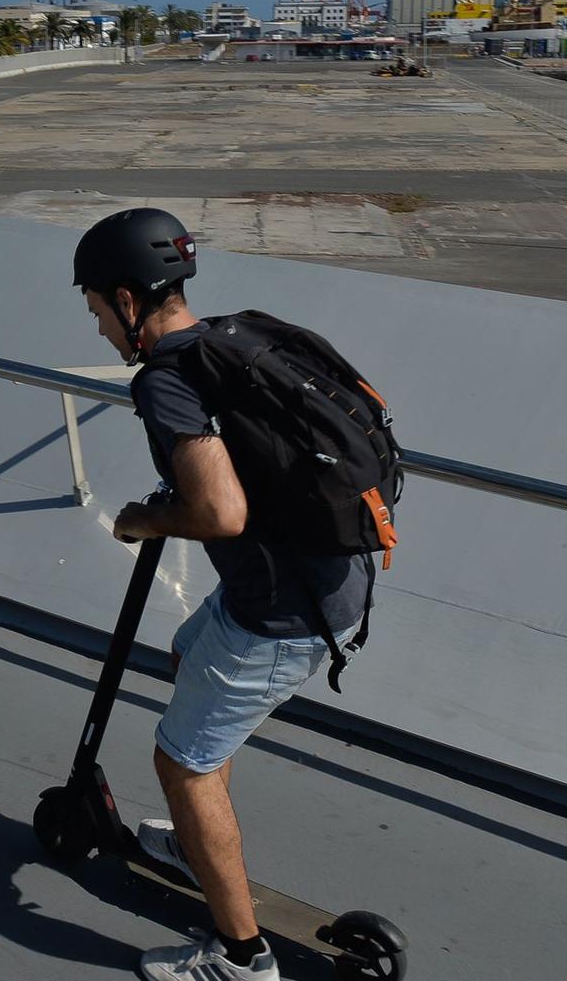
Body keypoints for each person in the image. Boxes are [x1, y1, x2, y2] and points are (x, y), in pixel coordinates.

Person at [73, 208, 374, 981]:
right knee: (185, 653)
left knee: (182, 763)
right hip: (328, 580)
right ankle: (191, 839)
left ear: (128, 302)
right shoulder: (236, 335)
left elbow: (221, 511)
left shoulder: (167, 382)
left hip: (283, 612)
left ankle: (243, 959)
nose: (101, 328)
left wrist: (147, 518)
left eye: (99, 311)